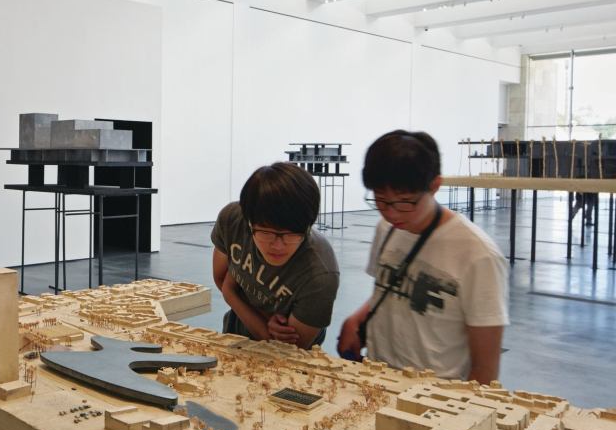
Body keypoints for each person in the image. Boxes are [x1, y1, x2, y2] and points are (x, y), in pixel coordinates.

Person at [337, 130, 508, 384]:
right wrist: (358, 318)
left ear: (435, 186)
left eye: (405, 202)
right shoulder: (386, 229)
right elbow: (388, 290)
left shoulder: (478, 254)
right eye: (381, 201)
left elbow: (485, 371)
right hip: (377, 380)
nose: (392, 213)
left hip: (436, 393)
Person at [211, 162, 339, 348]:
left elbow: (286, 347)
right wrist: (262, 317)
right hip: (238, 324)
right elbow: (221, 280)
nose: (278, 245)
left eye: (290, 234)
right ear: (249, 223)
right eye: (266, 232)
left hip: (292, 355)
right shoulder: (232, 221)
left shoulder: (320, 273)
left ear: (308, 225)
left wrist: (232, 292)